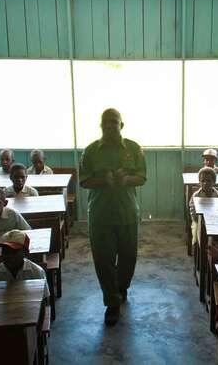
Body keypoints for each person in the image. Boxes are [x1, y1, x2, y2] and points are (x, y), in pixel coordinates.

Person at [79, 108, 146, 326]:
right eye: (105, 122)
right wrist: (103, 181)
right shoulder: (90, 151)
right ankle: (112, 302)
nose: (109, 126)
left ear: (121, 125)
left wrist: (125, 179)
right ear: (100, 126)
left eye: (114, 122)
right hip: (101, 215)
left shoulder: (134, 148)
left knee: (128, 257)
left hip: (127, 212)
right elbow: (84, 181)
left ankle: (121, 287)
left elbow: (142, 177)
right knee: (104, 260)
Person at [0, 230, 49, 298]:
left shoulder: (36, 273)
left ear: (26, 253)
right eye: (5, 251)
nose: (9, 256)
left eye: (14, 252)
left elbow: (44, 300)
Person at [189, 167, 218, 246]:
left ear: (214, 182)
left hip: (214, 222)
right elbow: (193, 213)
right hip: (199, 222)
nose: (205, 183)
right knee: (198, 234)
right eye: (202, 181)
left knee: (217, 237)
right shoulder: (196, 195)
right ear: (199, 182)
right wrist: (202, 222)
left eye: (208, 181)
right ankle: (198, 250)